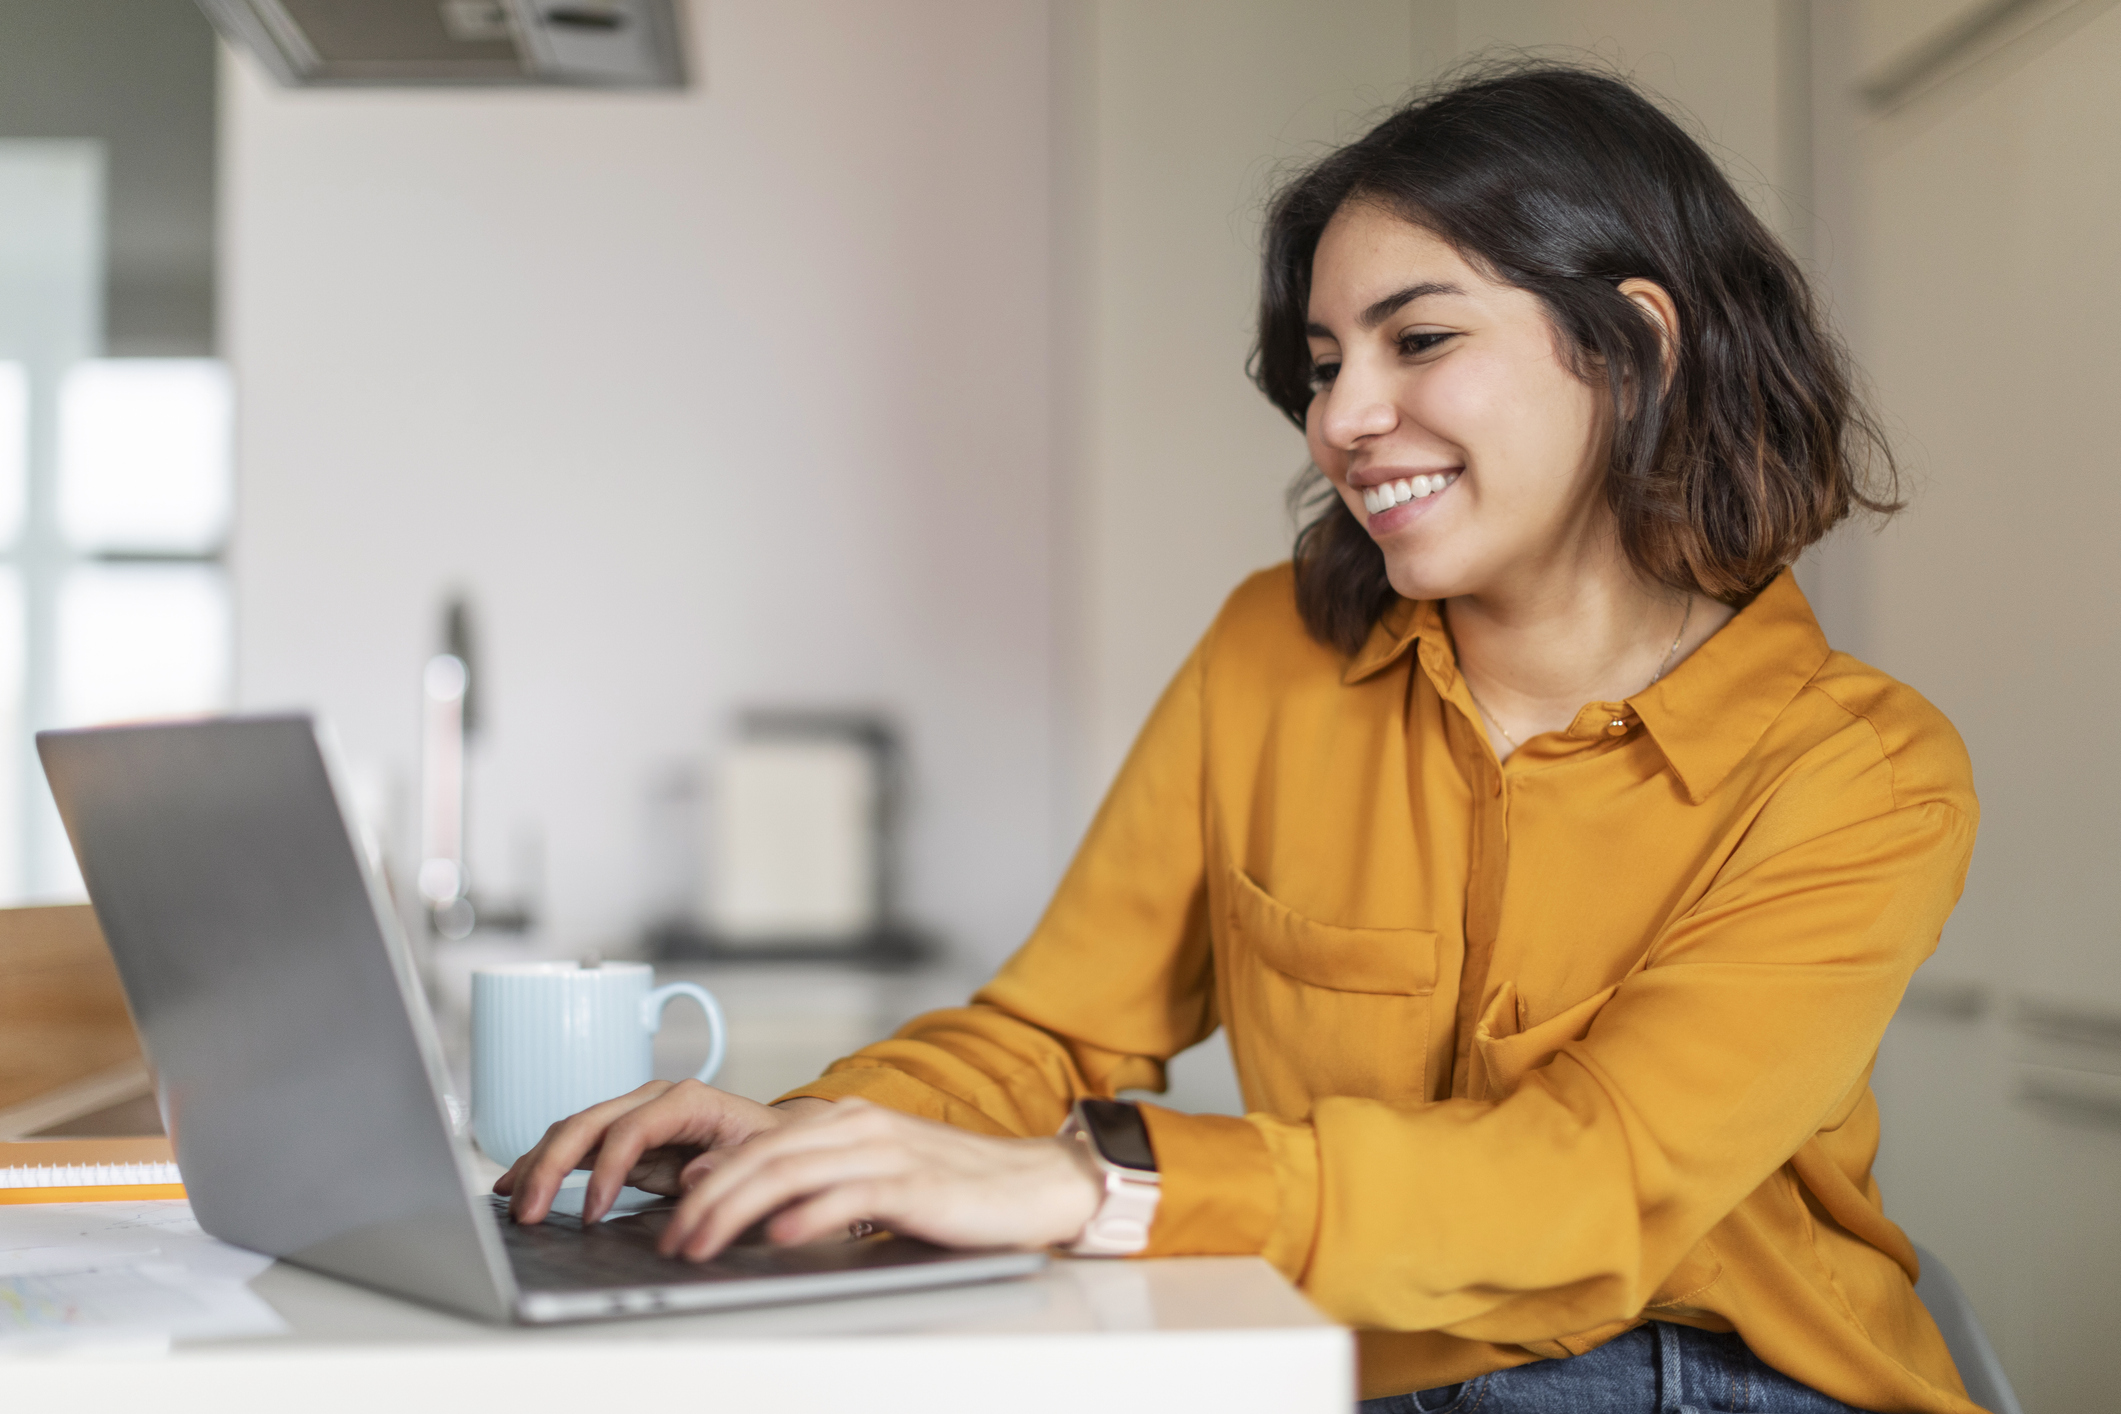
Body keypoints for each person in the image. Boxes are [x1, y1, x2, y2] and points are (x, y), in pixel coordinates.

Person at [498, 64, 1982, 1414]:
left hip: (1684, 1372)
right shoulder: (1269, 651)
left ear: (1631, 343)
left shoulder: (1860, 771)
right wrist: (823, 1135)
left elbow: (1588, 1183)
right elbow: (1058, 1026)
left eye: (1416, 340)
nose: (1344, 416)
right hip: (1326, 1347)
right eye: (1326, 362)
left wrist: (1094, 1184)